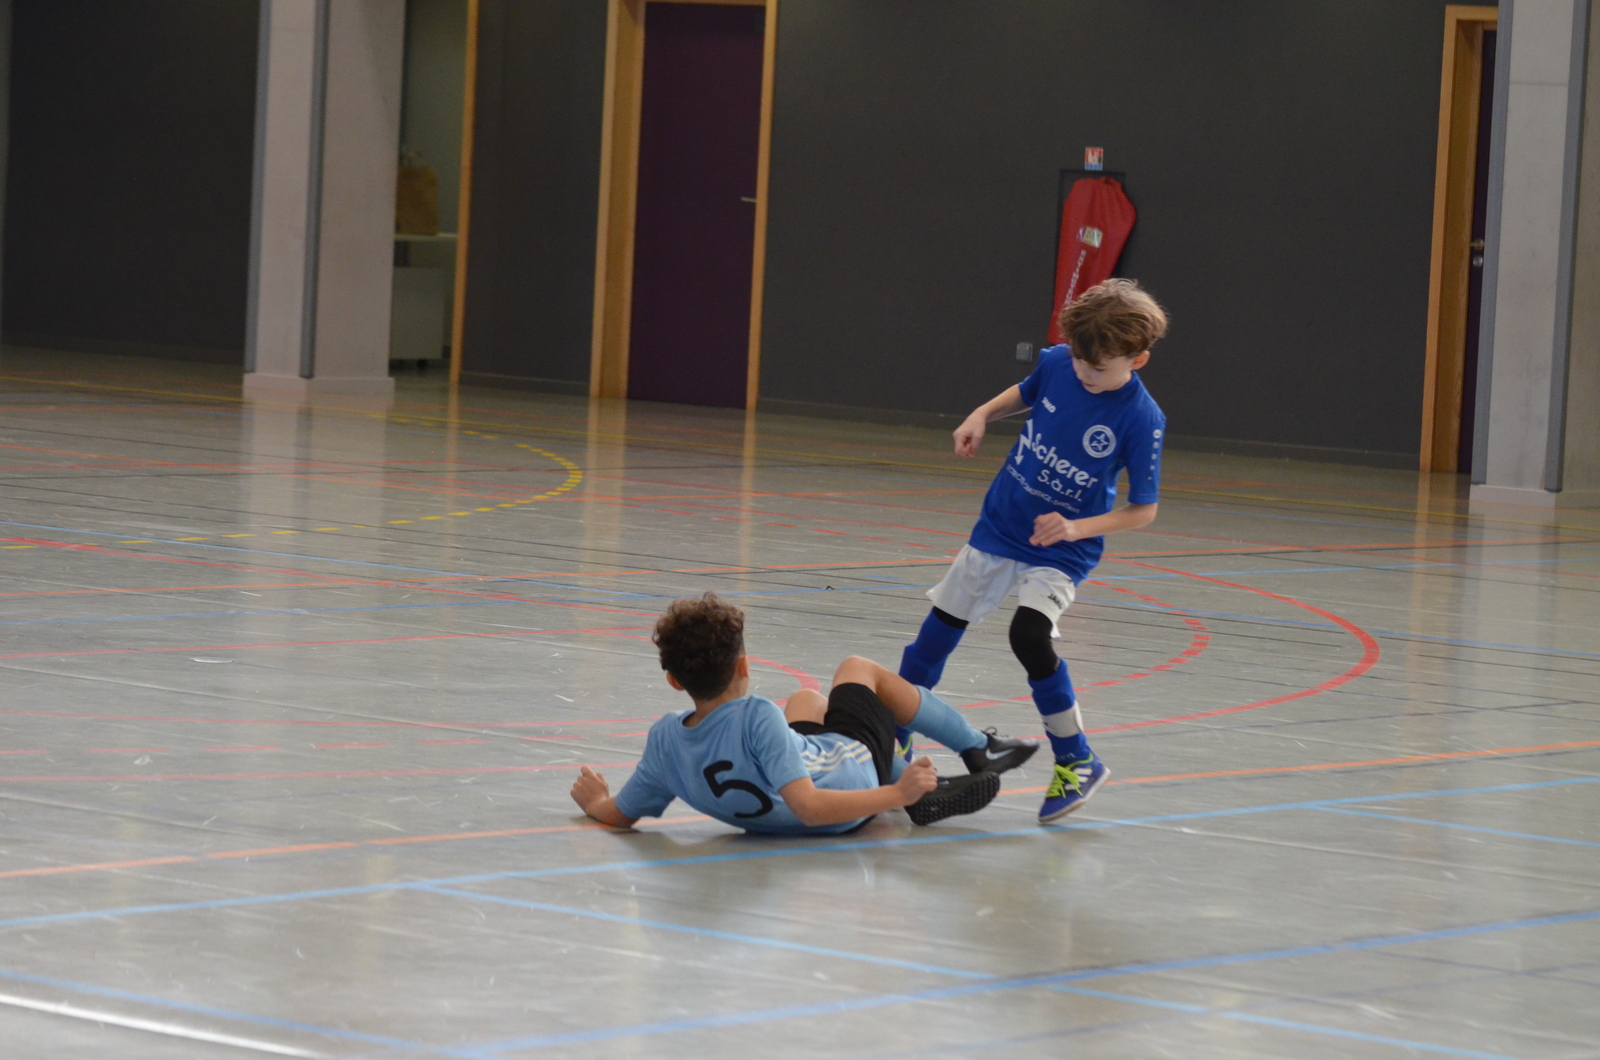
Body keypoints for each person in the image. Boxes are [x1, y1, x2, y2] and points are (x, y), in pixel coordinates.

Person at [895, 279, 1168, 823]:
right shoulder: (1061, 363)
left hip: (1061, 546)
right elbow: (1024, 392)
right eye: (1080, 362)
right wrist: (981, 415)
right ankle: (893, 734)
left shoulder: (1142, 419)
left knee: (1029, 635)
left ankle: (1077, 760)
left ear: (1137, 359)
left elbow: (1144, 510)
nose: (1085, 374)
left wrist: (1075, 527)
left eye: (1099, 369)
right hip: (1002, 524)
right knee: (936, 634)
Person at [570, 594, 1039, 835]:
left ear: (674, 680)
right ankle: (976, 747)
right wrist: (895, 793)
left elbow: (620, 815)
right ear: (744, 667)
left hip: (787, 810)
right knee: (857, 669)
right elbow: (810, 809)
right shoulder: (756, 716)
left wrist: (595, 802)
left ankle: (919, 790)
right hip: (851, 788)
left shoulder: (665, 740)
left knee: (806, 700)